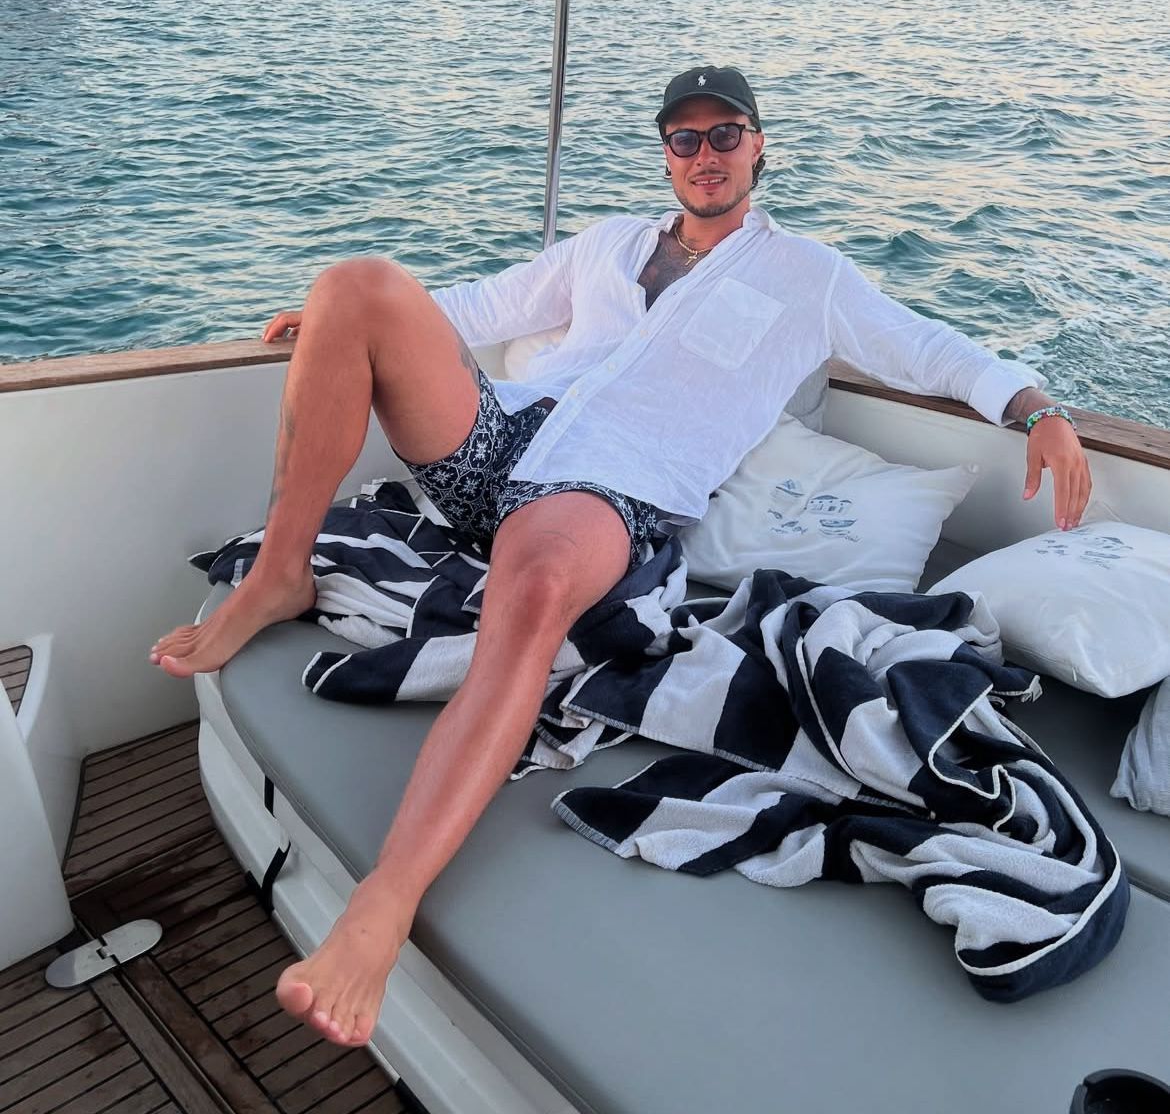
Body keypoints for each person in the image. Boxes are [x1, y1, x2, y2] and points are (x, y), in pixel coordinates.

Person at [150, 65, 1092, 1047]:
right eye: (685, 138)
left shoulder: (808, 275)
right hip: (502, 438)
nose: (705, 154)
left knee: (536, 587)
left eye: (724, 134)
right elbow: (476, 307)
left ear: (758, 145)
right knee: (356, 282)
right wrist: (336, 326)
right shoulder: (606, 244)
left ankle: (385, 900)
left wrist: (1039, 411)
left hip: (611, 487)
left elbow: (933, 349)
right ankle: (281, 573)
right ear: (666, 154)